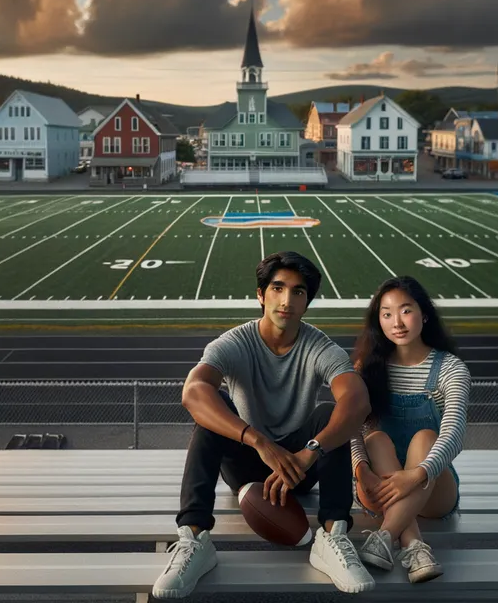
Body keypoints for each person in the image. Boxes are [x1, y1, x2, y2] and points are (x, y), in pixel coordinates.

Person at [152, 251, 376, 599]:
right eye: (278, 288)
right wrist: (258, 441)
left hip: (301, 464)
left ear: (307, 302)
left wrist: (310, 451)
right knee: (214, 407)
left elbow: (358, 401)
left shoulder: (319, 347)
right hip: (246, 462)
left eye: (298, 292)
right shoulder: (235, 342)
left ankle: (333, 535)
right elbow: (193, 392)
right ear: (261, 294)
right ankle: (194, 538)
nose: (287, 300)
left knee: (331, 412)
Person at [350, 276, 471, 584]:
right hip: (379, 483)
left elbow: (454, 435)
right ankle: (416, 549)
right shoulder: (367, 366)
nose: (397, 322)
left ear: (424, 314)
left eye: (406, 310)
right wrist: (360, 470)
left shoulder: (450, 368)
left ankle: (385, 537)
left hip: (431, 485)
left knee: (426, 437)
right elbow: (352, 428)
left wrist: (416, 475)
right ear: (378, 320)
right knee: (374, 439)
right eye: (387, 313)